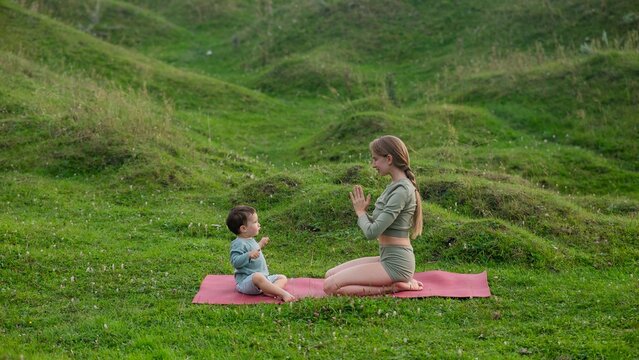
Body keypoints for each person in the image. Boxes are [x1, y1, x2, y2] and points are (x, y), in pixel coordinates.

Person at [324, 135, 424, 296]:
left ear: (389, 158)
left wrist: (360, 213)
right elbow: (380, 224)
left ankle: (392, 288)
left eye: (375, 159)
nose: (373, 165)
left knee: (330, 287)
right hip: (386, 257)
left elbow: (372, 232)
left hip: (396, 263)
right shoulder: (394, 186)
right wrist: (364, 213)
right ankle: (394, 284)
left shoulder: (402, 191)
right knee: (329, 274)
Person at [226, 205, 296, 302]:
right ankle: (282, 293)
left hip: (263, 278)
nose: (258, 224)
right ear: (243, 228)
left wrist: (260, 244)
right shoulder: (238, 244)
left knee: (282, 277)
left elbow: (254, 249)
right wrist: (248, 255)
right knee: (258, 276)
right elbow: (235, 262)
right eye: (255, 222)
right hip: (247, 281)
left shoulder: (250, 239)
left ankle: (269, 290)